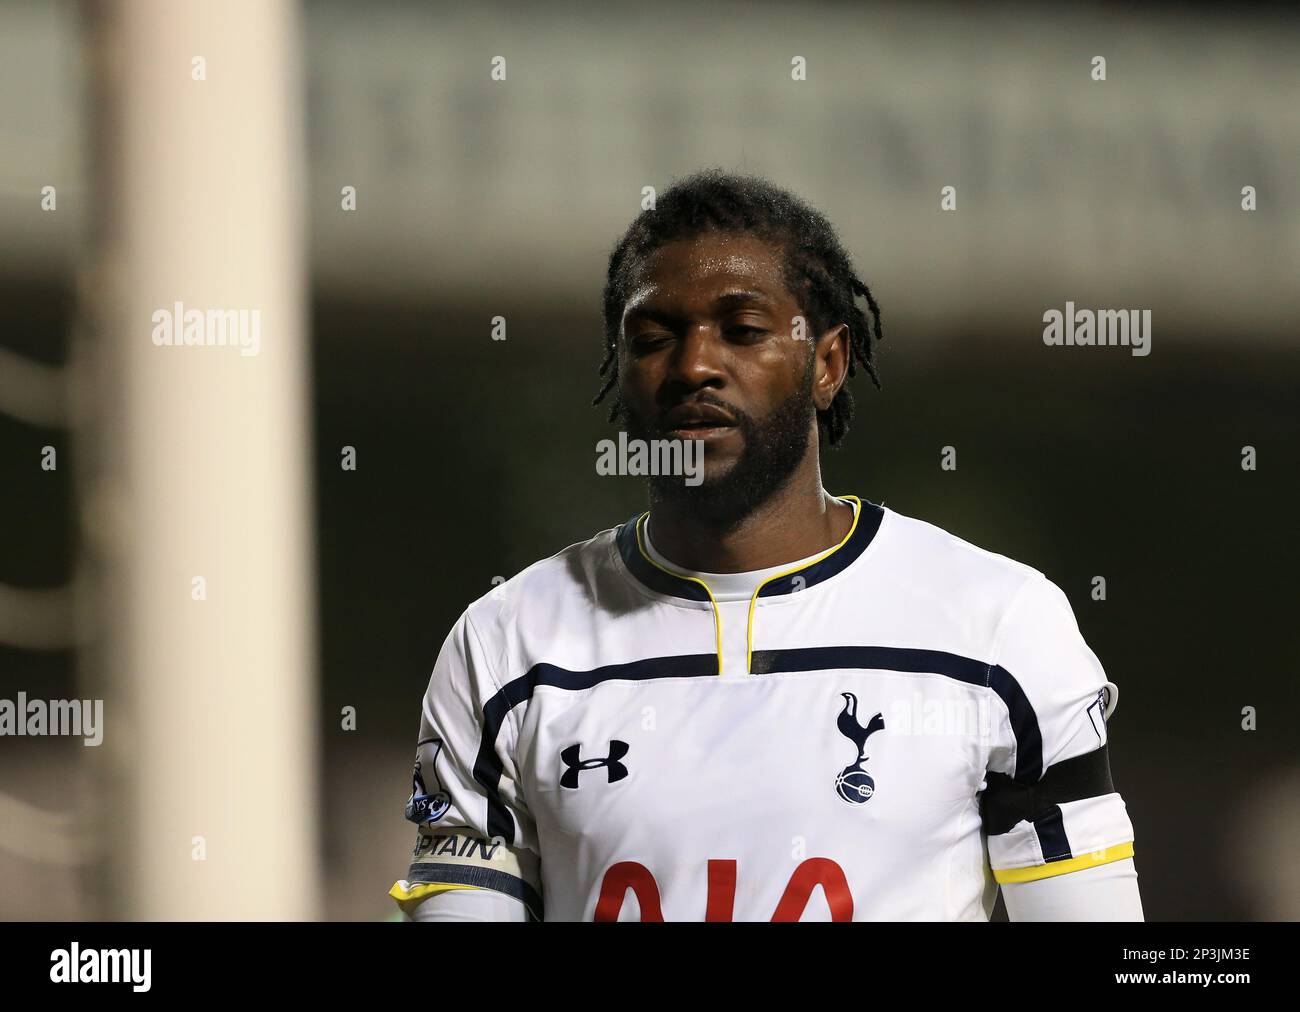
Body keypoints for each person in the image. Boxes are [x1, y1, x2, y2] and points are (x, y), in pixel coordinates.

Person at [390, 170, 1141, 921]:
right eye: (654, 338)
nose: (693, 367)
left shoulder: (998, 627)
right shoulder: (505, 647)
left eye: (743, 331)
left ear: (827, 363)